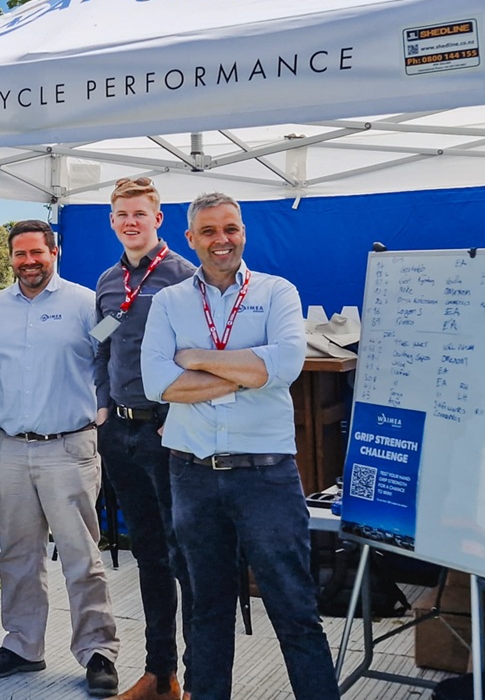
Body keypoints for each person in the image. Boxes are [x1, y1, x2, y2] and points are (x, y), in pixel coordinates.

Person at [141, 192, 339, 700]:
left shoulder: (278, 293)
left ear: (243, 232)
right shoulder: (168, 302)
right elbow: (157, 384)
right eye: (208, 231)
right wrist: (250, 373)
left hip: (265, 477)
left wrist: (198, 358)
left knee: (294, 607)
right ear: (190, 239)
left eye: (230, 228)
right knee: (205, 611)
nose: (221, 240)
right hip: (193, 475)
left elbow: (286, 367)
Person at [0, 219, 120, 697]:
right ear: (10, 257)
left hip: (69, 447)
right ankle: (22, 646)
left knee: (81, 557)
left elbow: (109, 357)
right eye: (20, 254)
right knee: (16, 556)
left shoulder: (85, 303)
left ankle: (98, 651)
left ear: (54, 252)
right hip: (12, 448)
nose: (29, 261)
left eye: (38, 252)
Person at [90, 178, 196, 700]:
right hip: (120, 432)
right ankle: (161, 675)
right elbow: (99, 347)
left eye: (139, 213)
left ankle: (202, 678)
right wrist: (102, 407)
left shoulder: (184, 277)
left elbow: (197, 352)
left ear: (159, 218)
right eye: (120, 215)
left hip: (166, 432)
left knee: (186, 557)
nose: (130, 222)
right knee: (148, 556)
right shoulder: (109, 281)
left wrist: (174, 415)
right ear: (112, 222)